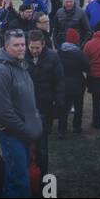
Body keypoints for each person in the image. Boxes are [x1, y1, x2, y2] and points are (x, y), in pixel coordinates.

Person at [0, 28, 42, 198]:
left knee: (16, 177)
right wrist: (27, 132)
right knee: (19, 182)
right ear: (6, 46)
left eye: (23, 44)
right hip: (13, 136)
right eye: (16, 45)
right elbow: (4, 113)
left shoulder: (20, 65)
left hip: (24, 135)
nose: (21, 48)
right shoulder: (1, 71)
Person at [26, 28, 64, 176]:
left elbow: (59, 81)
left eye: (37, 48)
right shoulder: (22, 57)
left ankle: (42, 176)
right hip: (27, 108)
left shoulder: (53, 57)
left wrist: (58, 104)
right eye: (32, 47)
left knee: (42, 148)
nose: (34, 51)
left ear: (43, 45)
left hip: (44, 107)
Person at [58, 28, 89, 137]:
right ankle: (77, 127)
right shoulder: (79, 54)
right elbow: (87, 68)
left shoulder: (59, 53)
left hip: (64, 84)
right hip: (78, 84)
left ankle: (61, 129)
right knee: (78, 107)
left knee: (64, 108)